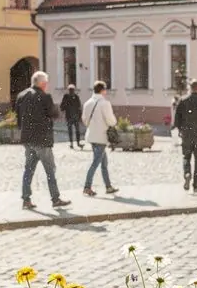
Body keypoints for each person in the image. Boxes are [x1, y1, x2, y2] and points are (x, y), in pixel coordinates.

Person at [15, 70, 70, 211]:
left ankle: (26, 199)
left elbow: (18, 118)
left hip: (27, 139)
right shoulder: (45, 97)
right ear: (43, 83)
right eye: (46, 83)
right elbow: (54, 114)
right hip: (42, 140)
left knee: (28, 170)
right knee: (50, 170)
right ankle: (55, 199)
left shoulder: (21, 96)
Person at [173, 78, 197, 190]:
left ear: (190, 88)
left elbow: (177, 120)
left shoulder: (183, 101)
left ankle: (187, 173)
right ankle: (196, 185)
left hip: (187, 134)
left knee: (186, 157)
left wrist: (181, 130)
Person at [81, 81, 119, 197]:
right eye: (105, 89)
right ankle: (87, 187)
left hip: (91, 136)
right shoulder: (104, 103)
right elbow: (111, 120)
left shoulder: (87, 103)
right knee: (96, 163)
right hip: (101, 136)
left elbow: (84, 120)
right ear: (102, 90)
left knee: (104, 163)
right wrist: (113, 123)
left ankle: (108, 187)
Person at [59, 84, 84, 149]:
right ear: (69, 90)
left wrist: (80, 116)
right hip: (69, 116)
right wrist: (65, 106)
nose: (71, 91)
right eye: (70, 90)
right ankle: (71, 143)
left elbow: (79, 107)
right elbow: (62, 106)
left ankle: (78, 143)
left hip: (75, 117)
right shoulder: (66, 96)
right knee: (71, 131)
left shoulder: (76, 97)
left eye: (72, 90)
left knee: (77, 130)